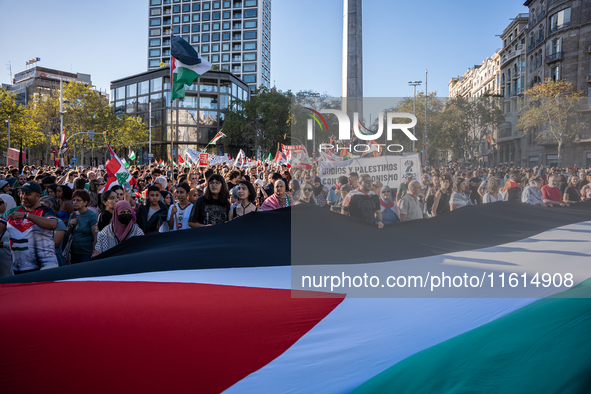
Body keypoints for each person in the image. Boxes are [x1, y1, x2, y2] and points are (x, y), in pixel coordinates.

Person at [0, 182, 59, 274]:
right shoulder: (13, 211)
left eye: (28, 194)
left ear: (38, 196)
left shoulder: (46, 210)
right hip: (18, 268)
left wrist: (26, 215)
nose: (23, 196)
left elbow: (52, 224)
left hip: (44, 267)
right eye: (22, 193)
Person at [67, 190, 98, 264]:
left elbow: (96, 236)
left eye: (78, 200)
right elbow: (67, 234)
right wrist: (71, 226)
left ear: (85, 202)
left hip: (87, 253)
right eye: (73, 200)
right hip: (74, 252)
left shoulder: (92, 215)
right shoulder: (73, 215)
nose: (75, 202)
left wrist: (94, 253)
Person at [39, 196, 67, 266]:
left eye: (45, 207)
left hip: (54, 258)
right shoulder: (37, 221)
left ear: (52, 209)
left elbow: (56, 243)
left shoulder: (59, 223)